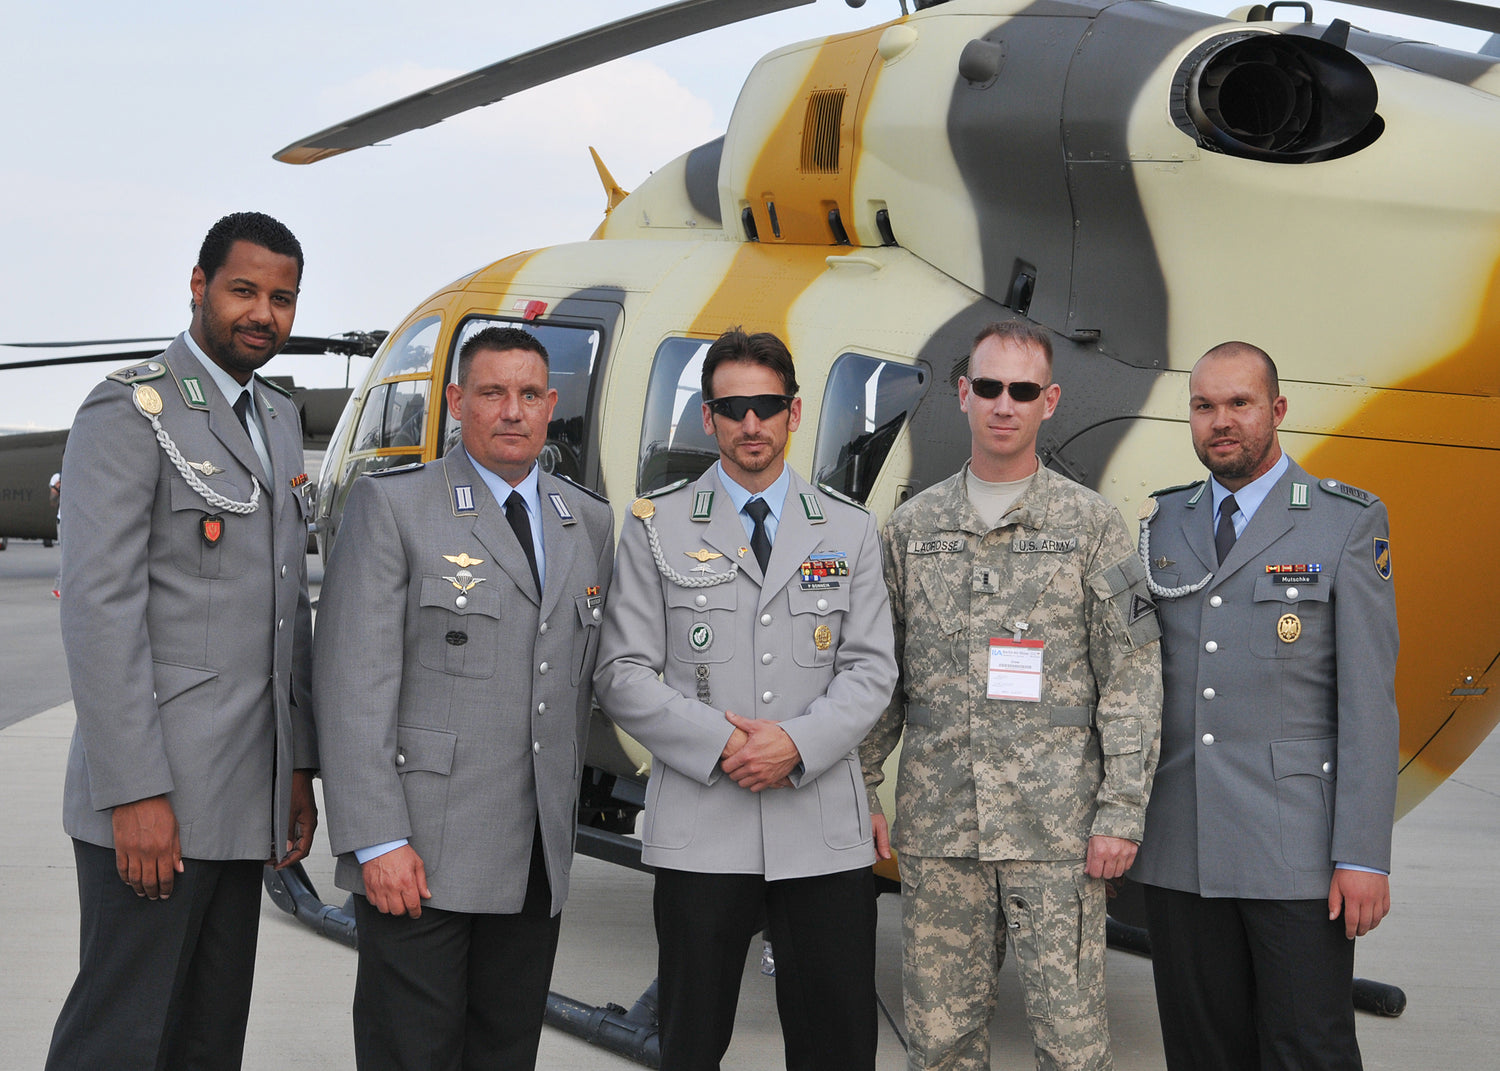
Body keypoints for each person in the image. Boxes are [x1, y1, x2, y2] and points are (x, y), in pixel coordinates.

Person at [49, 211, 318, 1069]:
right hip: (156, 799)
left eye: (282, 298)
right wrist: (134, 794)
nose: (263, 314)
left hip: (244, 801)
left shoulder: (273, 418)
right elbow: (100, 611)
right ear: (198, 286)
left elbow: (284, 616)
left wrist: (297, 771)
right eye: (244, 290)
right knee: (120, 1039)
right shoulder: (129, 411)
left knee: (206, 1039)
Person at [861, 320, 1163, 1071]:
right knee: (940, 1041)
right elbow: (879, 680)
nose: (1004, 404)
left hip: (1058, 834)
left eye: (1022, 390)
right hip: (941, 830)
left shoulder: (1092, 527)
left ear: (1048, 400)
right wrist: (859, 789)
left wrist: (1121, 813)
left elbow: (1131, 676)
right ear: (963, 394)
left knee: (1072, 1042)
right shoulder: (911, 529)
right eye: (988, 387)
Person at [593, 327, 898, 1071]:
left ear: (794, 412)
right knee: (691, 1040)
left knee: (836, 1043)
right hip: (704, 824)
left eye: (766, 405)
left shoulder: (850, 529)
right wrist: (725, 743)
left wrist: (795, 744)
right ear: (708, 418)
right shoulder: (655, 526)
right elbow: (622, 672)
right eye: (732, 408)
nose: (750, 423)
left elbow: (871, 669)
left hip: (821, 828)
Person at [313, 325, 615, 1070]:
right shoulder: (396, 509)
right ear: (457, 402)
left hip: (534, 856)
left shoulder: (588, 522)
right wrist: (377, 839)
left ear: (551, 407)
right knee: (411, 1054)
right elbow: (352, 685)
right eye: (492, 393)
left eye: (528, 395)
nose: (512, 411)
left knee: (505, 1053)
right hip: (422, 854)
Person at [1132, 341, 1399, 1070]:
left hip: (1296, 854)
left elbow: (1369, 701)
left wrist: (1363, 854)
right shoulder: (1162, 523)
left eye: (1239, 403)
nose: (1222, 421)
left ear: (1276, 410)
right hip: (1181, 847)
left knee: (1307, 1048)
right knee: (1201, 1052)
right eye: (1204, 405)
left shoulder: (1343, 522)